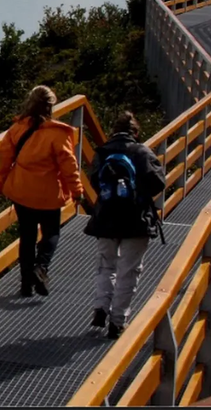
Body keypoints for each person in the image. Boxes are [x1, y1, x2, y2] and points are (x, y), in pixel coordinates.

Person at [82, 111, 166, 339]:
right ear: (136, 132)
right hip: (135, 220)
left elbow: (94, 181)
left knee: (106, 265)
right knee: (129, 270)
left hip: (106, 218)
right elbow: (159, 181)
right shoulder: (142, 152)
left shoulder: (103, 152)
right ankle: (117, 321)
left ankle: (101, 306)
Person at [0, 85, 83, 298]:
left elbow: (5, 160)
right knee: (51, 233)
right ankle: (41, 268)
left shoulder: (16, 129)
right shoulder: (58, 134)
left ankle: (25, 285)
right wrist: (77, 190)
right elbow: (69, 166)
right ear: (51, 106)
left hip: (22, 191)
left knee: (27, 237)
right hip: (48, 195)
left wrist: (1, 184)